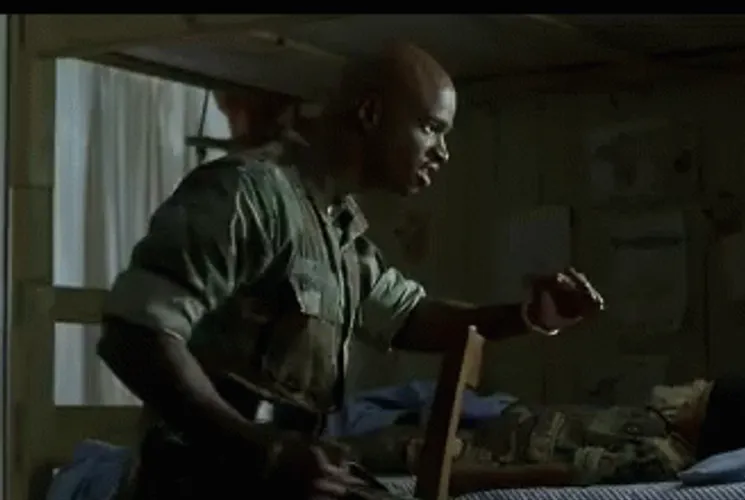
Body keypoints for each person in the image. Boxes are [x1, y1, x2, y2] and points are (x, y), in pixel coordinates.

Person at [97, 42, 605, 500]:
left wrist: (529, 315)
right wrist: (261, 449)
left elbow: (410, 317)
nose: (443, 152)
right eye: (431, 128)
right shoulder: (247, 194)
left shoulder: (337, 229)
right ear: (370, 113)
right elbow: (133, 335)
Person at [345, 375, 745, 487]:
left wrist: (452, 473)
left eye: (702, 393)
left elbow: (557, 473)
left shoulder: (659, 458)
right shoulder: (658, 422)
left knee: (365, 450)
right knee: (413, 398)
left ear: (709, 421)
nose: (692, 385)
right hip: (505, 419)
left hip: (478, 450)